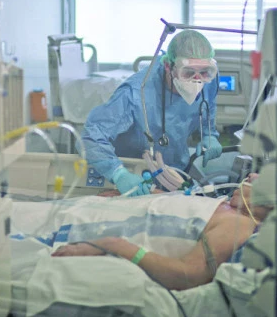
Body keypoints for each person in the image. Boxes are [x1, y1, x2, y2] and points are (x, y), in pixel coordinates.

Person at [52, 175, 272, 291]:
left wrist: (115, 246)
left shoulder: (240, 225)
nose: (252, 175)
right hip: (86, 213)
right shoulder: (229, 207)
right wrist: (145, 196)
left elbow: (187, 275)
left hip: (72, 234)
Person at [82, 29, 223, 196]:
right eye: (188, 73)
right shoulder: (135, 93)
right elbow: (90, 137)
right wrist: (118, 174)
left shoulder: (208, 80)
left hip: (174, 173)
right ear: (168, 66)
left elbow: (207, 108)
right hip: (134, 178)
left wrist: (209, 134)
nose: (197, 80)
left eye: (204, 72)